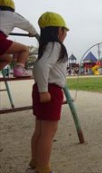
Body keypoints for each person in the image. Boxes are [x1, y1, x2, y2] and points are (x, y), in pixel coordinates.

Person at [26, 11, 69, 173]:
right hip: (50, 91)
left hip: (42, 88)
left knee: (40, 130)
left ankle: (35, 162)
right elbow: (41, 66)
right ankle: (43, 168)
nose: (65, 34)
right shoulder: (56, 46)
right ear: (59, 30)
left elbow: (38, 67)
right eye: (65, 30)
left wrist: (40, 88)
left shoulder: (45, 47)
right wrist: (44, 91)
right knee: (48, 133)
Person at [0, 0, 39, 77]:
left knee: (7, 58)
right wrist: (33, 33)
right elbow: (27, 25)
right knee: (24, 49)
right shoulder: (12, 15)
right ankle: (19, 70)